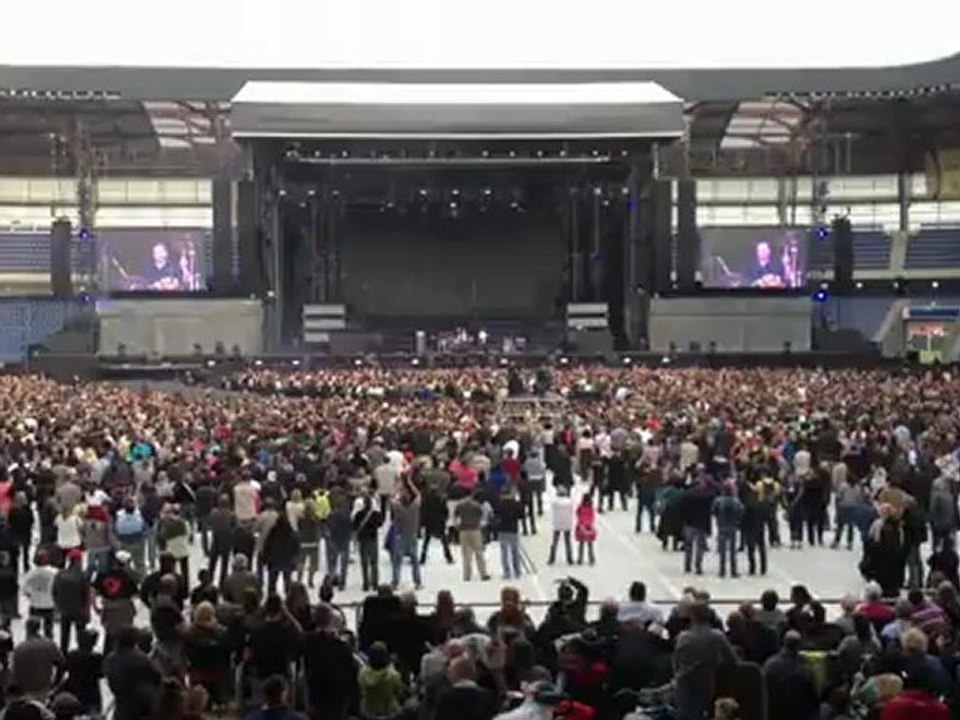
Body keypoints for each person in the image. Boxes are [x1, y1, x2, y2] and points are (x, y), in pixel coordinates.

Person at [762, 631, 819, 720]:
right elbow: (815, 697)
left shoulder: (769, 664)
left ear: (783, 643)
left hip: (773, 713)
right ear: (799, 646)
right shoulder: (805, 669)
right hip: (798, 714)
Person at [12, 616, 63, 699]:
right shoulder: (49, 645)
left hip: (25, 689)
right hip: (44, 687)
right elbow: (62, 664)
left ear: (27, 629)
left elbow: (15, 671)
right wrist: (55, 683)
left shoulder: (19, 648)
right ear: (39, 628)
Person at [52, 548, 90, 655]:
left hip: (64, 610)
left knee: (64, 636)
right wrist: (87, 612)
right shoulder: (83, 575)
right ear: (78, 560)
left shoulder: (60, 574)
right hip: (79, 611)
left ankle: (63, 656)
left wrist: (58, 606)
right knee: (81, 635)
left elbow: (54, 592)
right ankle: (81, 656)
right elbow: (86, 596)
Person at [389, 477, 423, 589]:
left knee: (397, 562)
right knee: (415, 561)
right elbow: (418, 495)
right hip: (412, 536)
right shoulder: (414, 509)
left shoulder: (398, 508)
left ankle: (395, 582)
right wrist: (410, 482)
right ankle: (417, 582)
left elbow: (391, 497)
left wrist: (398, 486)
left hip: (400, 537)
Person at [359, 641, 405, 718]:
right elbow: (399, 693)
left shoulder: (363, 673)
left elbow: (360, 689)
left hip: (367, 713)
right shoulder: (393, 675)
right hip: (389, 713)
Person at [456, 491, 490, 582]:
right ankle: (483, 574)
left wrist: (458, 527)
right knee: (479, 552)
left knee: (466, 555)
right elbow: (483, 517)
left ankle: (467, 575)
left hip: (463, 531)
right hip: (475, 530)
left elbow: (456, 518)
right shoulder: (477, 506)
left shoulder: (460, 505)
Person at [712, 482, 744, 579]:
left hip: (722, 526)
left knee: (722, 551)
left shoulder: (718, 501)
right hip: (733, 527)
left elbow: (714, 511)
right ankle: (733, 571)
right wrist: (737, 521)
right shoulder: (736, 501)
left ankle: (722, 570)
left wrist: (718, 519)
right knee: (733, 551)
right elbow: (741, 511)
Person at [22, 552, 57, 639]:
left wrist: (31, 596)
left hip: (35, 604)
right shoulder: (54, 572)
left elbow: (24, 589)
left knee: (32, 628)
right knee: (49, 629)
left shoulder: (31, 573)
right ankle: (49, 645)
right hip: (49, 604)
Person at [497, 487, 524, 580]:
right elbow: (521, 515)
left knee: (504, 552)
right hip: (513, 529)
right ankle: (517, 571)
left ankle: (507, 572)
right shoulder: (516, 504)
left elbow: (495, 515)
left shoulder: (499, 504)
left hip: (502, 529)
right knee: (515, 551)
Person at [547, 486, 574, 566]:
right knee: (568, 542)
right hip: (567, 523)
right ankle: (570, 559)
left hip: (557, 524)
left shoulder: (555, 502)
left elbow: (552, 508)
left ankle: (552, 559)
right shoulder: (570, 502)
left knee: (554, 542)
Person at [574, 494, 597, 566]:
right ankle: (589, 559)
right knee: (587, 544)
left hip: (584, 526)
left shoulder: (581, 507)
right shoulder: (590, 508)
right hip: (586, 526)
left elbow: (578, 515)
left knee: (584, 544)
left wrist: (582, 524)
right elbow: (592, 517)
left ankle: (582, 559)